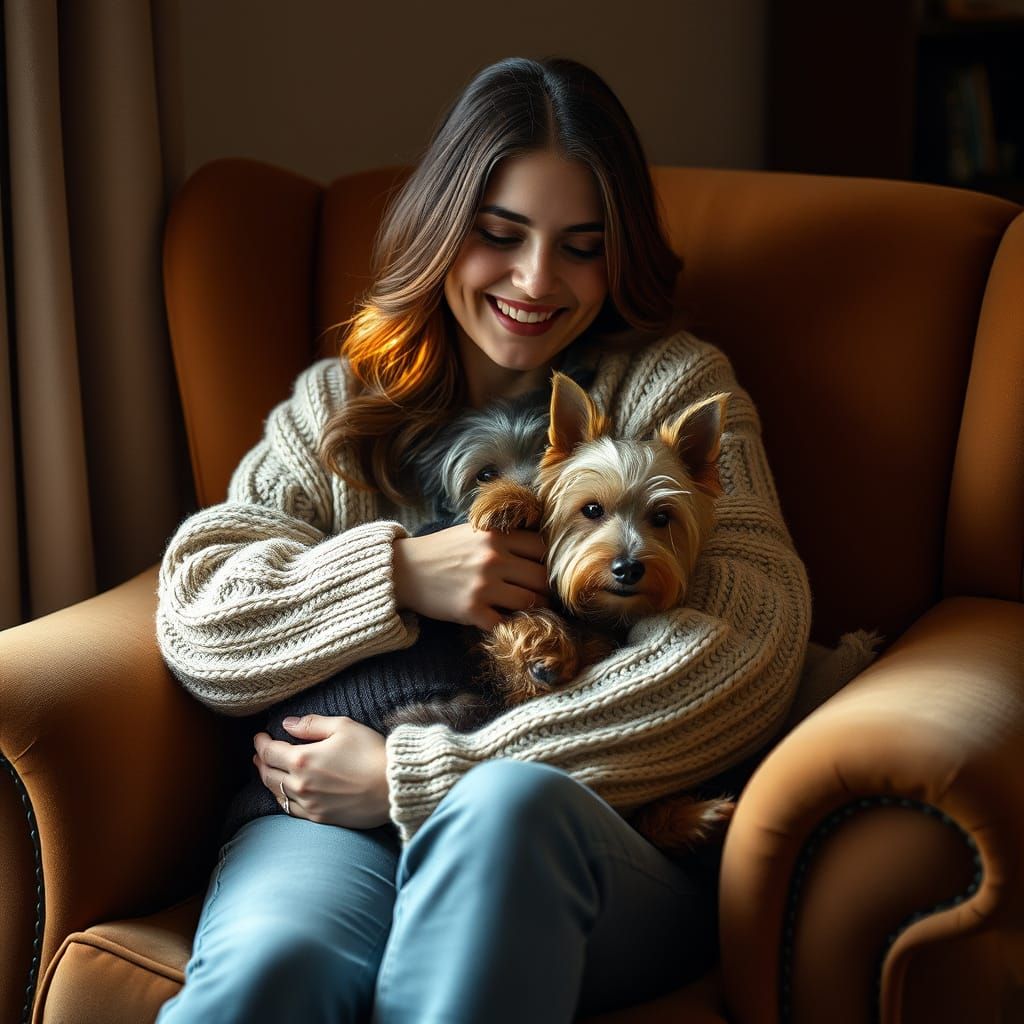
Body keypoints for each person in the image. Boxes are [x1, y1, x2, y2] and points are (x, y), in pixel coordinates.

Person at [155, 56, 811, 1024]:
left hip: (580, 828)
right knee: (271, 969)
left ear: (619, 254)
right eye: (499, 235)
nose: (536, 281)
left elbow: (748, 645)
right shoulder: (339, 407)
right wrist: (396, 574)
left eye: (580, 247)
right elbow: (199, 621)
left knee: (505, 815)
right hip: (325, 822)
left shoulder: (671, 386)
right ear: (440, 232)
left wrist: (416, 778)